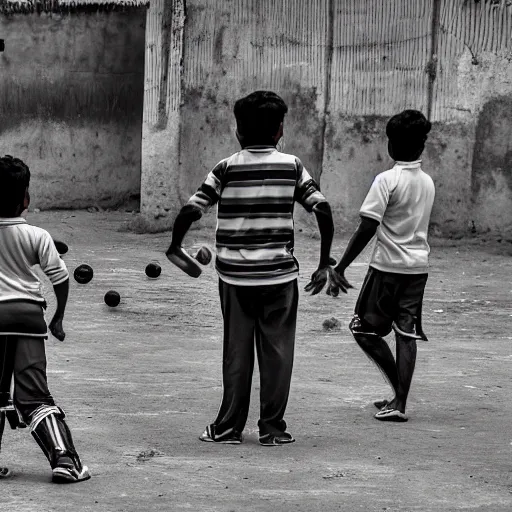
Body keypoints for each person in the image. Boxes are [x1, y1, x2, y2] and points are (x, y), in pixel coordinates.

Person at [166, 90, 350, 445]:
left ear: (238, 130)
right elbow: (322, 210)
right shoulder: (292, 165)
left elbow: (192, 209)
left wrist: (175, 244)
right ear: (280, 129)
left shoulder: (226, 167)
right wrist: (325, 258)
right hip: (280, 276)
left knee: (236, 353)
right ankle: (273, 429)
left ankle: (228, 428)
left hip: (234, 277)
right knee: (279, 353)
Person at [329, 110, 435, 422]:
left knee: (362, 328)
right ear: (421, 146)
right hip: (418, 268)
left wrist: (342, 266)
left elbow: (367, 227)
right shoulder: (426, 182)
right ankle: (399, 400)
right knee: (406, 332)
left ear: (392, 144)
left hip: (388, 268)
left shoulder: (386, 180)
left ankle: (399, 395)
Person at [0, 155, 90, 482]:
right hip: (26, 318)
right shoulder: (37, 235)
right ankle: (66, 460)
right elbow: (60, 278)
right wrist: (58, 318)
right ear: (25, 198)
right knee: (34, 397)